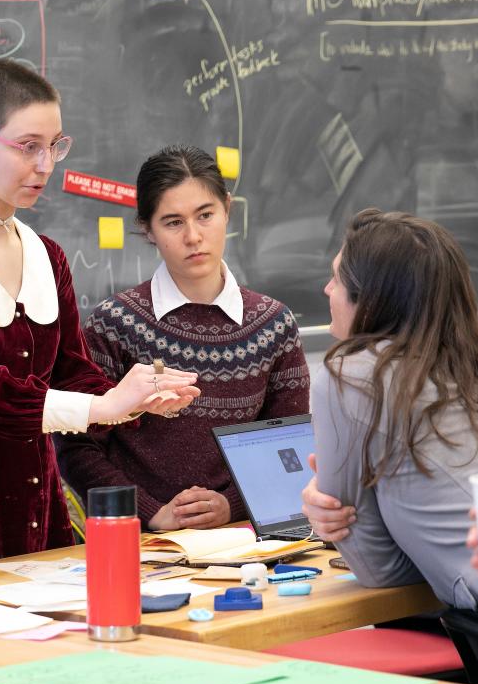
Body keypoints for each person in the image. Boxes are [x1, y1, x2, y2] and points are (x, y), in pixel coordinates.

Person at [0, 60, 198, 571]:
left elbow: (71, 370)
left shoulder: (46, 253)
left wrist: (136, 398)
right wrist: (101, 409)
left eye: (55, 145)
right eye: (28, 146)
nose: (45, 165)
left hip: (41, 511)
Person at [56, 145, 309, 530]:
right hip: (142, 544)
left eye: (205, 215)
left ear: (227, 209)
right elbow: (78, 448)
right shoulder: (113, 324)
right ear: (148, 229)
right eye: (173, 222)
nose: (194, 236)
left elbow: (290, 445)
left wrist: (233, 505)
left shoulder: (274, 326)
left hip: (242, 540)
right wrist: (150, 512)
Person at [305, 208, 478, 620]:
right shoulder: (473, 370)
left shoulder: (349, 374)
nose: (326, 289)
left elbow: (380, 572)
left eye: (338, 278)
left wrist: (332, 516)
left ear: (370, 299)